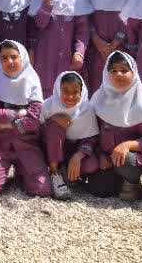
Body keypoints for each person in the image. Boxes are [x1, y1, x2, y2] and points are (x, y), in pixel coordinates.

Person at [87, 52, 142, 201]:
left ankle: (132, 182)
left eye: (124, 70)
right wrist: (100, 154)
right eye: (113, 71)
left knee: (126, 161)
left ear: (134, 73)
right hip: (107, 158)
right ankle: (117, 180)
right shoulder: (98, 100)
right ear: (106, 74)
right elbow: (92, 134)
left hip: (131, 158)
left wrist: (127, 145)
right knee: (98, 189)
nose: (119, 74)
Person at [0, 40, 50, 198]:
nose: (10, 62)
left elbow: (33, 121)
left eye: (14, 57)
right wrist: (18, 114)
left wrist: (6, 123)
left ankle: (22, 173)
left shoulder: (31, 81)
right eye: (4, 58)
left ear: (23, 58)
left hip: (26, 144)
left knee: (42, 189)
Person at [28, 0, 91, 97]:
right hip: (44, 60)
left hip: (67, 59)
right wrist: (47, 2)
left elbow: (82, 30)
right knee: (44, 95)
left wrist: (79, 52)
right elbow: (40, 24)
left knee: (67, 94)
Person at [80, 0, 136, 93]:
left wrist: (115, 42)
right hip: (96, 45)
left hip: (122, 44)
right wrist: (97, 40)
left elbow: (131, 16)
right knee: (97, 84)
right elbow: (84, 14)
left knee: (119, 83)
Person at [39, 71, 100, 199]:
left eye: (75, 92)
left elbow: (91, 138)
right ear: (58, 89)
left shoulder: (86, 108)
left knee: (91, 165)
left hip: (74, 150)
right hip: (51, 152)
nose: (70, 97)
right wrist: (52, 119)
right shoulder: (48, 105)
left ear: (81, 92)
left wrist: (78, 156)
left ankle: (69, 173)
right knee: (55, 126)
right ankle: (55, 173)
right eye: (65, 91)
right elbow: (37, 130)